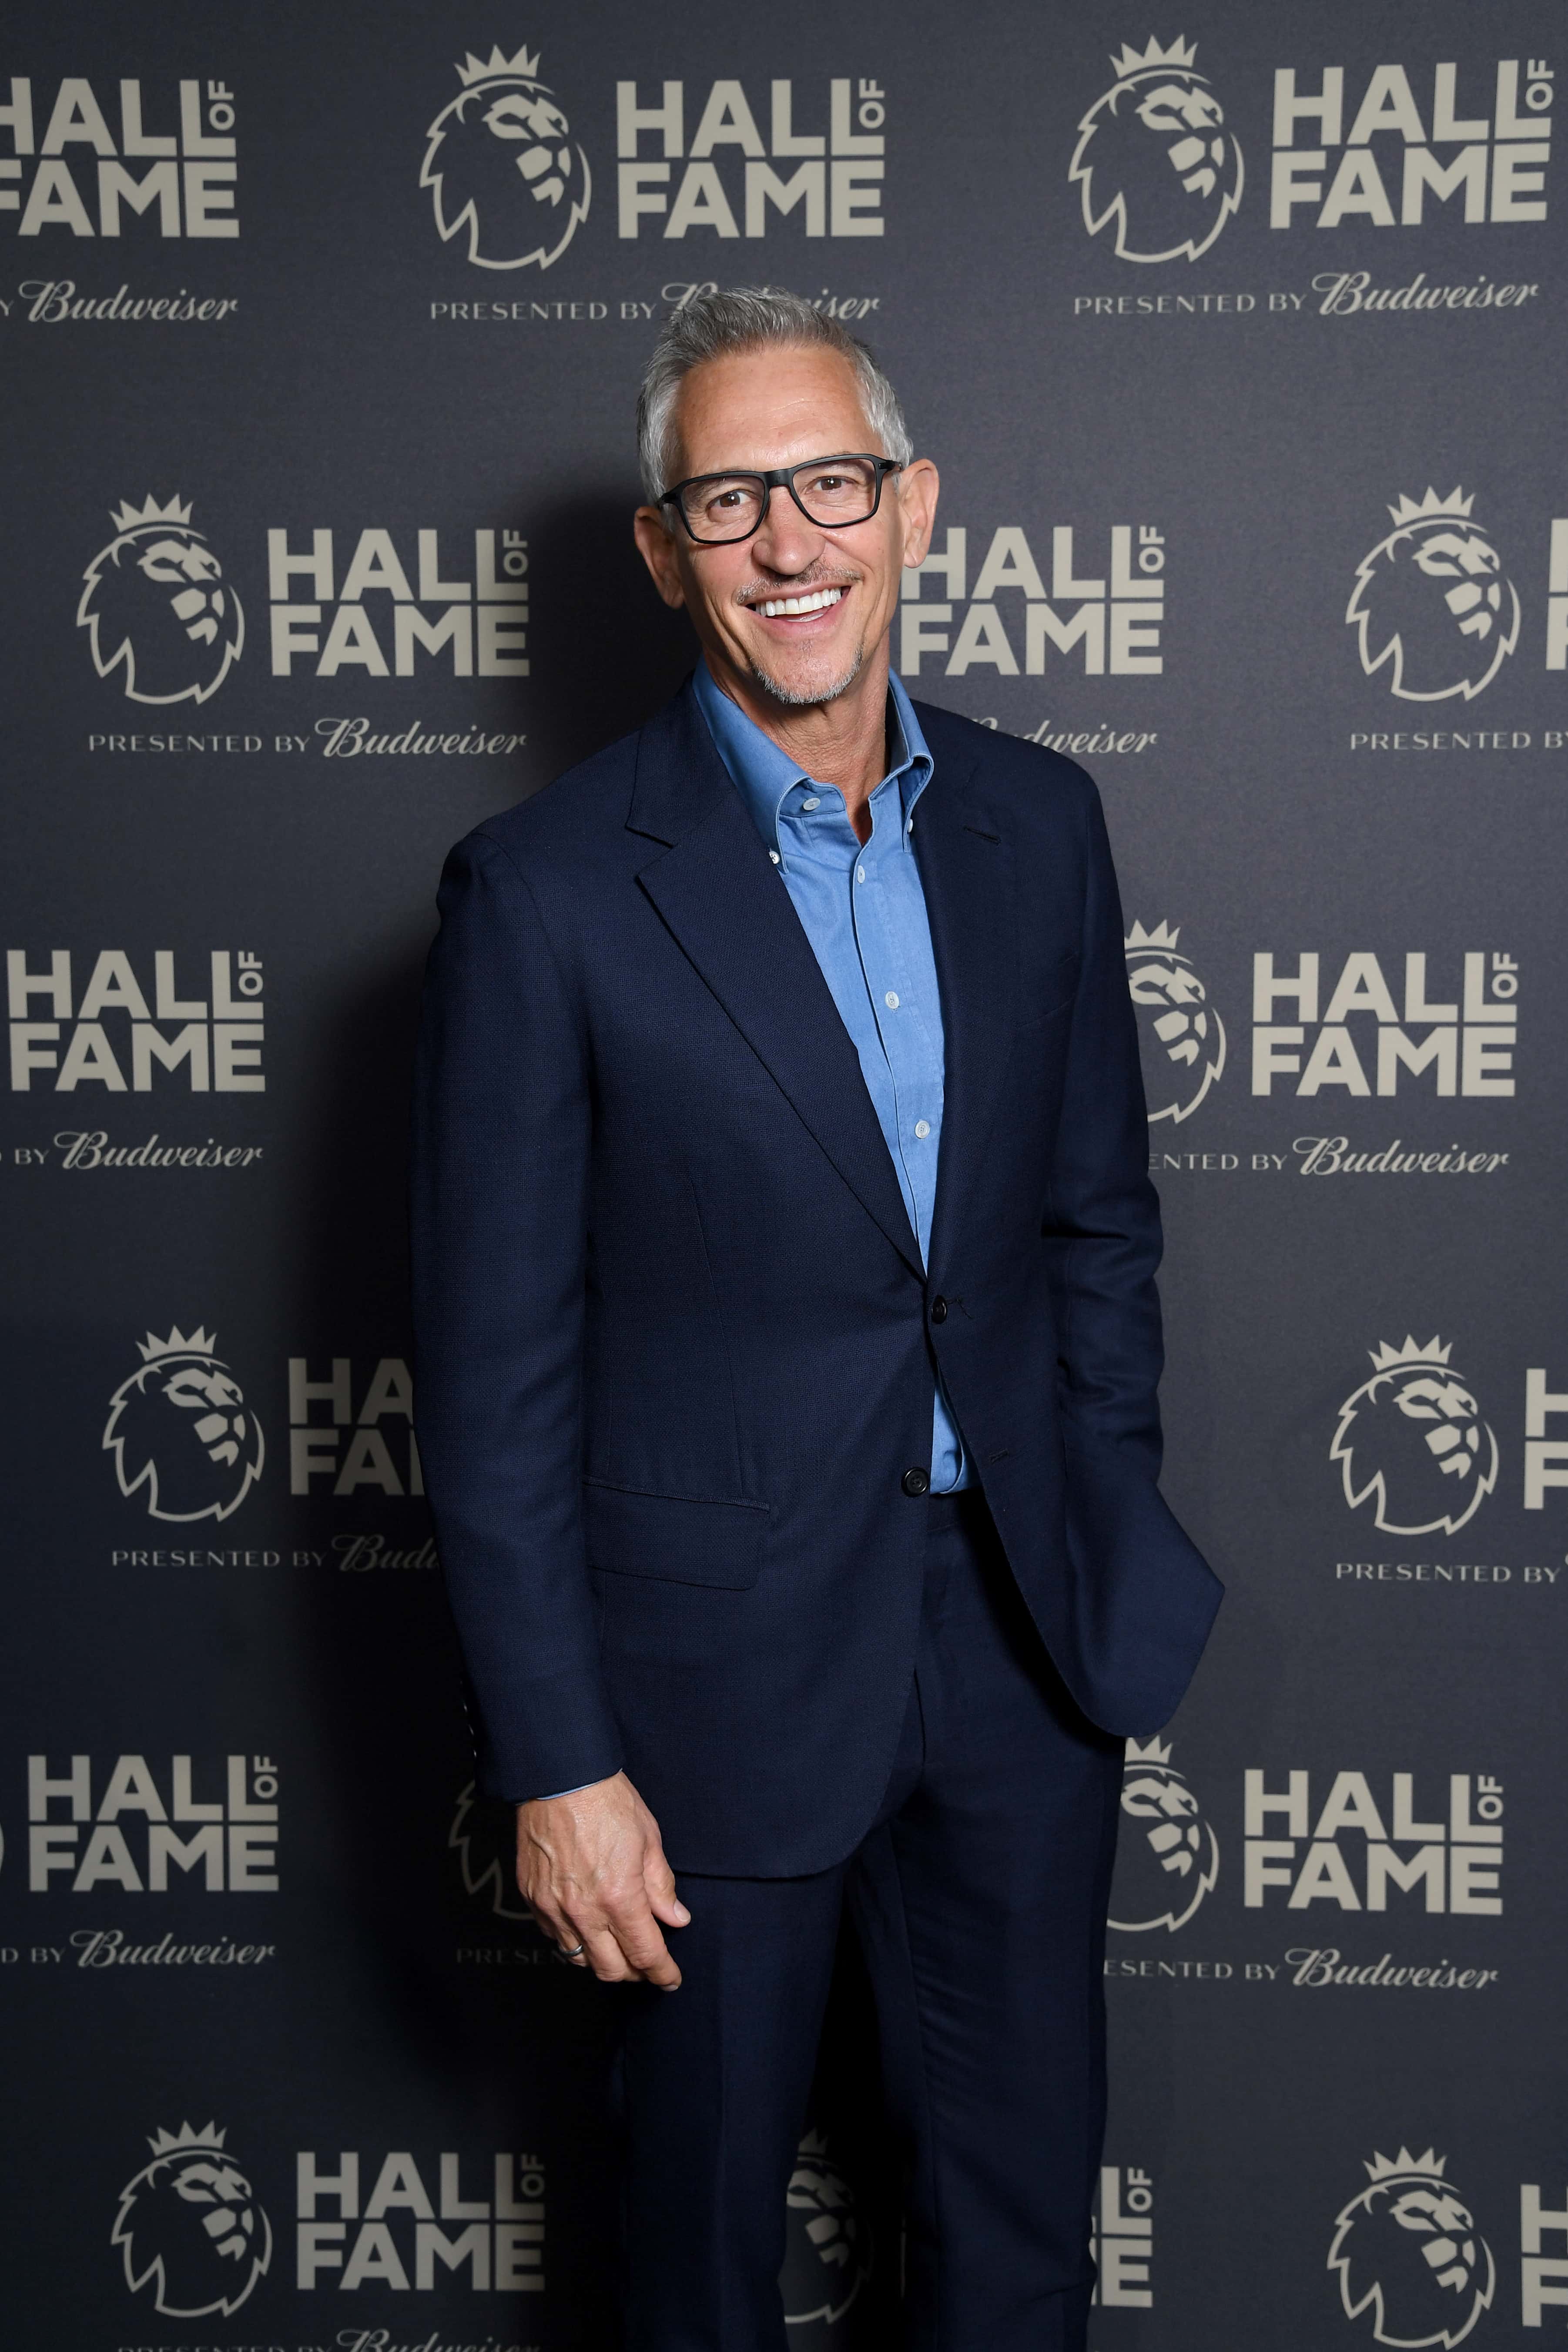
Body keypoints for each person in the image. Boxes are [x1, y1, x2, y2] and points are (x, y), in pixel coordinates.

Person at [411, 286, 1220, 2352]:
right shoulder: (544, 891)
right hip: (704, 1686)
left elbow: (1096, 1222)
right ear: (663, 548)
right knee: (696, 2267)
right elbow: (494, 1376)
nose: (791, 542)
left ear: (913, 507)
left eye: (832, 485)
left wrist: (1093, 1510)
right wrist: (560, 1759)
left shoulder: (1042, 822)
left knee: (1018, 2250)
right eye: (732, 499)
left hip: (1019, 1642)